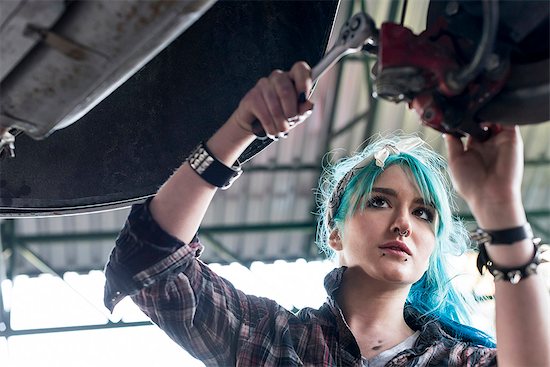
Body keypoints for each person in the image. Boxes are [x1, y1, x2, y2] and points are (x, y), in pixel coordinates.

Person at [104, 62, 549, 366]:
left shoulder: (459, 360)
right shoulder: (271, 341)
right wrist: (239, 131)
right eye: (379, 201)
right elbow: (150, 262)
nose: (403, 224)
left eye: (423, 213)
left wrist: (501, 209)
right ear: (334, 234)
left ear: (433, 249)